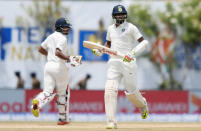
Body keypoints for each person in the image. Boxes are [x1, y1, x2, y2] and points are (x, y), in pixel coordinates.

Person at [92, 5, 149, 129]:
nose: (120, 16)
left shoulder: (131, 27)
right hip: (114, 62)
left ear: (125, 15)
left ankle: (142, 104)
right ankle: (111, 122)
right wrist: (100, 51)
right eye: (117, 15)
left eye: (122, 14)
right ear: (114, 16)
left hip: (128, 62)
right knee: (110, 90)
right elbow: (108, 44)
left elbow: (144, 42)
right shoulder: (110, 29)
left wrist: (132, 53)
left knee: (131, 93)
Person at [31, 17, 81, 125]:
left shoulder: (50, 37)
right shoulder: (62, 39)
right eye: (65, 27)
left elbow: (40, 49)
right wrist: (69, 59)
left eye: (68, 27)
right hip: (59, 67)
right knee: (63, 94)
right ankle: (63, 118)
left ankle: (37, 103)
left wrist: (50, 55)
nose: (67, 29)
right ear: (59, 28)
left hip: (48, 66)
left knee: (48, 92)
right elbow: (58, 52)